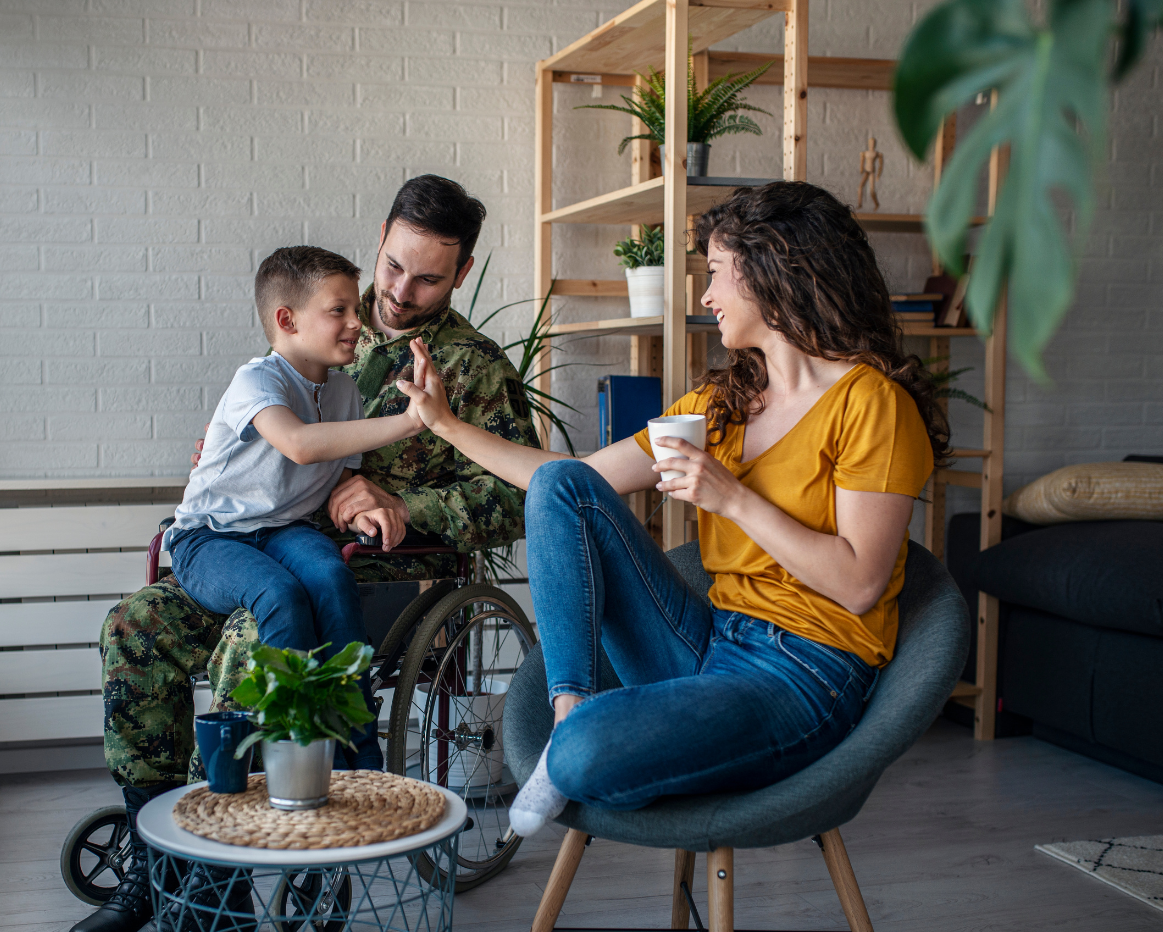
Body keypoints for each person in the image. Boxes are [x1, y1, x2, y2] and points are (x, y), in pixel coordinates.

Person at [66, 175, 541, 932]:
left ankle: (212, 902)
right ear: (381, 238)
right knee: (135, 628)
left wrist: (400, 498)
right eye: (391, 265)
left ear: (461, 276)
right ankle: (157, 866)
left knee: (253, 655)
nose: (397, 292)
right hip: (256, 550)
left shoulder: (473, 368)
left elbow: (514, 495)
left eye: (426, 278)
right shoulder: (332, 320)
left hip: (376, 578)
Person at [395, 181, 947, 837]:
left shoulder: (873, 405)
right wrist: (448, 425)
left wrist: (732, 497)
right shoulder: (721, 405)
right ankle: (570, 711)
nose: (706, 295)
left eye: (716, 274)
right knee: (562, 487)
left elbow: (859, 584)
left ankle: (578, 745)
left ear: (776, 273)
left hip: (804, 676)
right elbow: (569, 483)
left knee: (588, 757)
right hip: (712, 642)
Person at [165, 245, 420, 767]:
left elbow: (337, 477)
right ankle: (292, 757)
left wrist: (364, 505)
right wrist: (416, 419)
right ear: (287, 320)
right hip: (210, 537)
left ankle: (359, 760)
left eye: (356, 309)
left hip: (284, 529)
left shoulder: (346, 391)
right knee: (280, 594)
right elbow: (300, 444)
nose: (356, 322)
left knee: (331, 578)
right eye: (339, 311)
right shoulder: (257, 380)